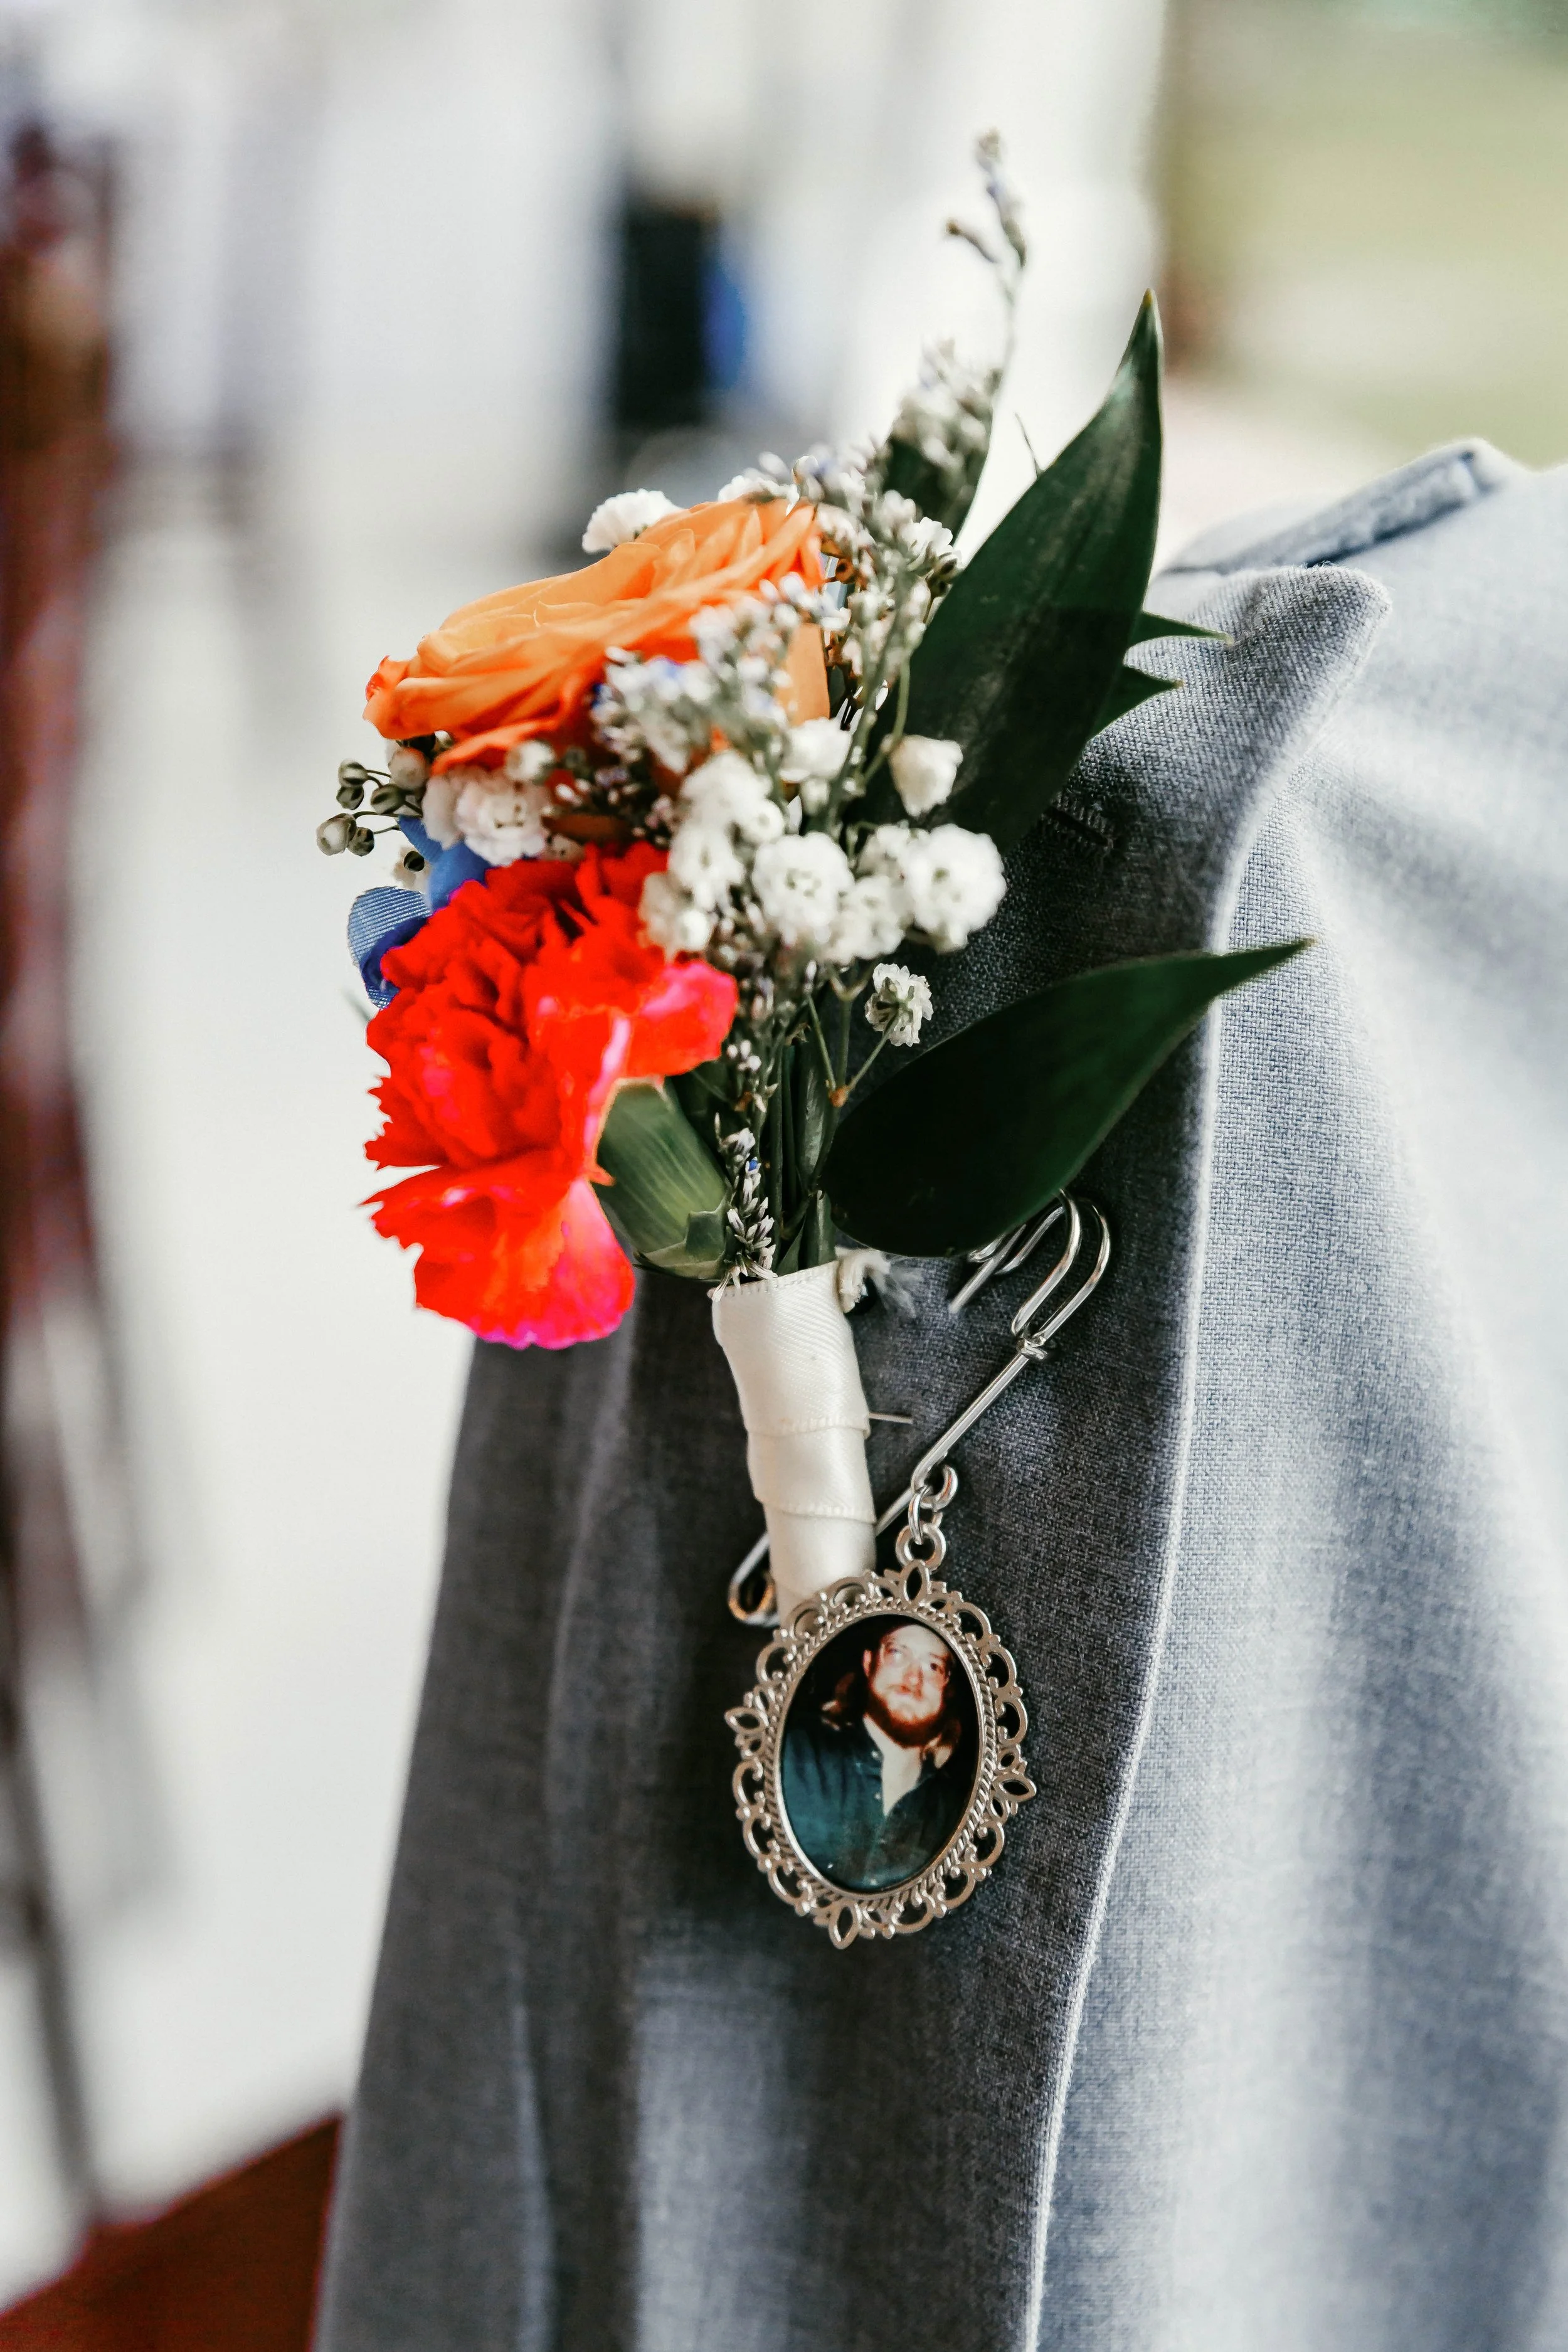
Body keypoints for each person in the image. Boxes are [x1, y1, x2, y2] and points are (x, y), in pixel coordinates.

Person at [780, 1620, 973, 1892]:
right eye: (898, 1654)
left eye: (933, 1667)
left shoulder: (956, 1811)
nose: (914, 1679)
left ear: (946, 1690)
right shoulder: (798, 1755)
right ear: (869, 1663)